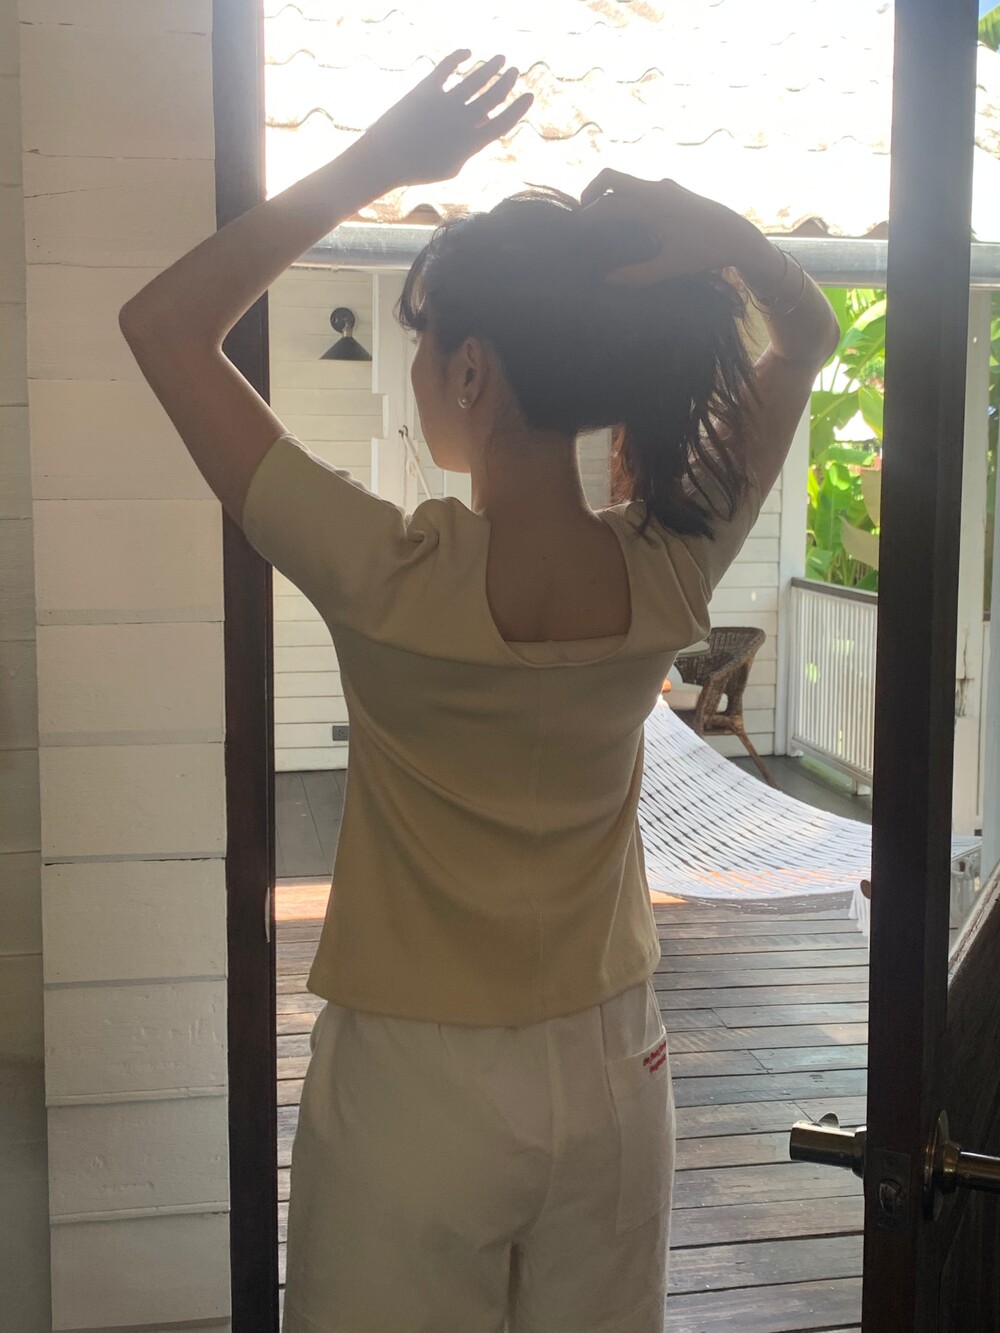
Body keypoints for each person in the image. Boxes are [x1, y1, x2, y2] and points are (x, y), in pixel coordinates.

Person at [120, 49, 840, 1333]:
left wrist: (375, 162)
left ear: (470, 373)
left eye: (423, 348)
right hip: (617, 1060)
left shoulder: (387, 572)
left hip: (417, 1080)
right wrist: (723, 237)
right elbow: (810, 336)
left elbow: (164, 327)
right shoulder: (671, 564)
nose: (417, 376)